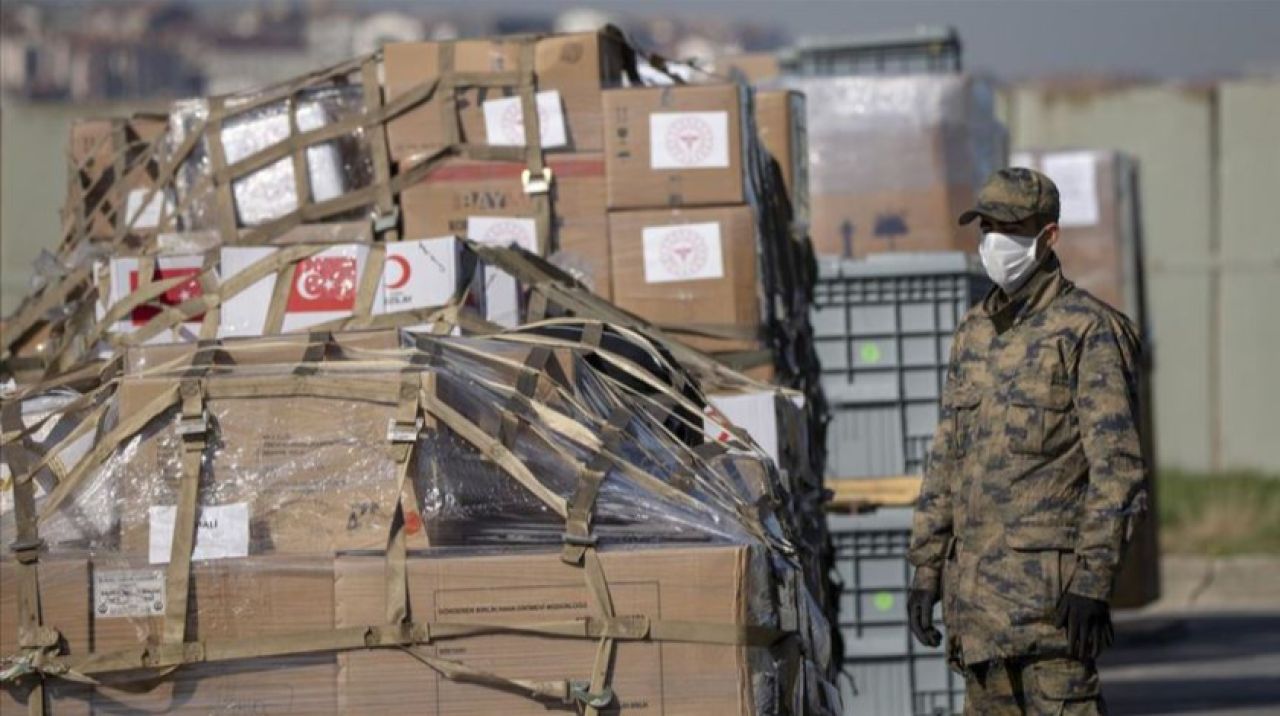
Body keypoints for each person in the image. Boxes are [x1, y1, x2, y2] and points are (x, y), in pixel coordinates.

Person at [906, 168, 1148, 715]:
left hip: (1051, 619)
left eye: (1011, 229)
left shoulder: (1087, 331)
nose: (996, 242)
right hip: (979, 618)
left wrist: (1093, 581)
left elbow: (1119, 470)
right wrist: (925, 569)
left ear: (1049, 236)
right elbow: (947, 459)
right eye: (987, 227)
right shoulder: (974, 332)